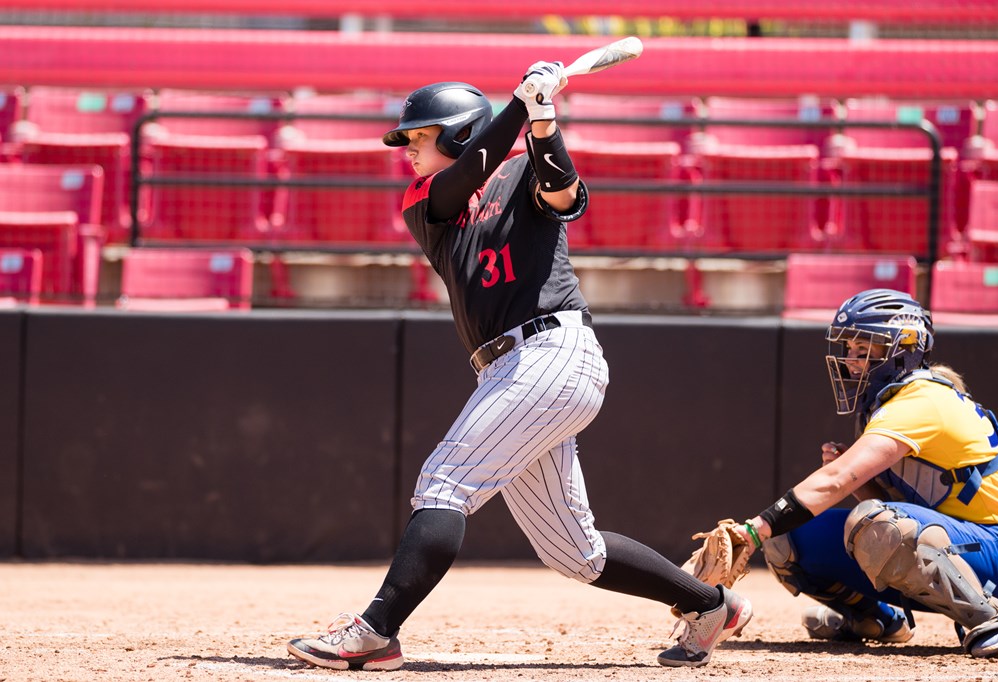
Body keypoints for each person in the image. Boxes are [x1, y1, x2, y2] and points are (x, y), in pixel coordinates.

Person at [286, 64, 751, 671]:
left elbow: (564, 195)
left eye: (420, 138)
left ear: (456, 133)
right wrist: (518, 106)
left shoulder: (525, 165)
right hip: (507, 371)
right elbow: (464, 179)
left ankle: (376, 632)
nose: (409, 152)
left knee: (446, 482)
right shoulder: (426, 202)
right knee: (574, 552)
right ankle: (710, 606)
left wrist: (543, 118)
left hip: (551, 351)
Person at [731, 289, 998, 658]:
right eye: (850, 347)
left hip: (997, 549)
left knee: (860, 523)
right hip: (948, 541)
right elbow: (889, 509)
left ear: (903, 347)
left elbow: (838, 481)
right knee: (789, 539)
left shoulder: (921, 399)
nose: (853, 359)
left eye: (865, 347)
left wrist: (754, 531)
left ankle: (996, 619)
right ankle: (876, 620)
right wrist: (861, 488)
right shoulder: (895, 400)